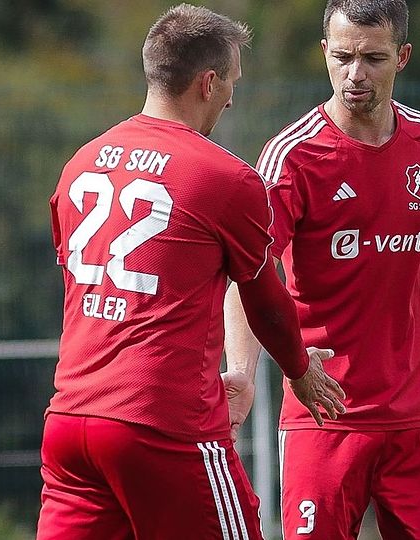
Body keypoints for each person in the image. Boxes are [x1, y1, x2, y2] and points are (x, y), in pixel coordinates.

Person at [38, 4, 345, 539]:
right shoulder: (224, 177)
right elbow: (265, 297)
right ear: (208, 82)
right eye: (232, 81)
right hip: (162, 425)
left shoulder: (79, 163)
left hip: (71, 424)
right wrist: (299, 369)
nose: (232, 96)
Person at [222, 1, 420, 538]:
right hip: (324, 416)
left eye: (373, 58)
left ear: (402, 57)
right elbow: (249, 277)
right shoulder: (293, 157)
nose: (356, 74)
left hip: (419, 421)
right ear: (325, 54)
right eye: (343, 57)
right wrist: (242, 369)